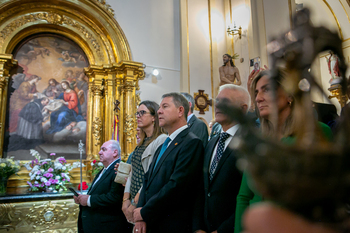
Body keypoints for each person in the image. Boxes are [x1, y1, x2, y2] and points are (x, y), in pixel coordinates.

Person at [234, 70, 333, 233]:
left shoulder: (316, 134)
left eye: (267, 89)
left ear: (289, 95)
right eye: (257, 92)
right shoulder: (258, 142)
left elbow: (325, 197)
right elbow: (244, 197)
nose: (258, 98)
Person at [133, 92, 204, 233]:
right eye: (159, 107)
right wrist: (141, 214)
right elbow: (147, 179)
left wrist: (145, 211)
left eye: (165, 106)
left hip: (171, 223)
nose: (159, 111)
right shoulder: (163, 145)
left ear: (180, 111)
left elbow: (176, 186)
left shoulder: (191, 142)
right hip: (152, 220)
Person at [193, 84, 250, 233]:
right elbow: (202, 188)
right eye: (217, 101)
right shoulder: (212, 142)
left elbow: (247, 197)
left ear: (243, 109)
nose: (217, 105)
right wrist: (197, 227)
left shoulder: (249, 143)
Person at [122, 101, 167, 227]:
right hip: (134, 199)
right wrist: (125, 200)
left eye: (142, 113)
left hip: (146, 201)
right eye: (137, 113)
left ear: (154, 117)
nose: (138, 116)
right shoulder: (141, 142)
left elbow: (152, 176)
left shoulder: (161, 140)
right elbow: (133, 172)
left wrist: (135, 202)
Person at [74, 140, 131, 233]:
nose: (99, 152)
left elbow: (115, 197)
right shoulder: (104, 169)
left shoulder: (118, 169)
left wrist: (88, 200)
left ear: (115, 152)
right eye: (100, 149)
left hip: (107, 226)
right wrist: (81, 198)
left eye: (103, 150)